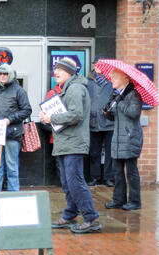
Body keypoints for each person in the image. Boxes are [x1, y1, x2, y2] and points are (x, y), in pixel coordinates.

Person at [40, 57, 101, 233]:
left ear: (68, 71)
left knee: (75, 182)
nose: (55, 72)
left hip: (73, 144)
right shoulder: (67, 89)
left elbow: (76, 115)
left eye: (59, 69)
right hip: (66, 143)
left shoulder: (74, 88)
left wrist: (51, 118)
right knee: (68, 183)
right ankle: (70, 215)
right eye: (55, 69)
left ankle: (91, 218)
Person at [0, 63, 32, 192]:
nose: (2, 76)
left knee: (11, 165)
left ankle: (13, 192)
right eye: (0, 74)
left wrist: (10, 119)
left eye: (5, 74)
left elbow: (27, 110)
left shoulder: (19, 90)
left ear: (10, 75)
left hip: (12, 134)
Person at [103, 68, 143, 211]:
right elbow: (113, 117)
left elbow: (134, 113)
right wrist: (108, 110)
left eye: (114, 77)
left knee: (131, 172)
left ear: (125, 79)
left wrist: (119, 103)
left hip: (130, 138)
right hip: (118, 139)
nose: (111, 80)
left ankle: (135, 201)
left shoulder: (134, 95)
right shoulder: (116, 95)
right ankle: (118, 200)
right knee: (117, 172)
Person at [87, 57, 114, 187]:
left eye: (101, 64)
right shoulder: (88, 82)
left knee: (110, 153)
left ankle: (108, 178)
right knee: (94, 153)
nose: (98, 66)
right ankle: (95, 177)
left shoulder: (111, 82)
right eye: (96, 64)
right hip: (93, 122)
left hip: (109, 122)